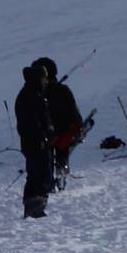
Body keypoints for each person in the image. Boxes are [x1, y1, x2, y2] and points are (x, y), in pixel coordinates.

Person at [16, 63, 54, 217]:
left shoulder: (35, 94)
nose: (46, 81)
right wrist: (41, 136)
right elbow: (29, 123)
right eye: (44, 78)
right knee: (37, 175)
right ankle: (34, 207)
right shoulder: (29, 96)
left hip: (38, 142)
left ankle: (38, 206)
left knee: (41, 174)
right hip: (35, 142)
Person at [36, 57, 81, 187]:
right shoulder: (62, 89)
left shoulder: (41, 92)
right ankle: (62, 178)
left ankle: (50, 181)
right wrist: (78, 123)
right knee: (62, 155)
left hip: (50, 132)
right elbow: (73, 109)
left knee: (48, 158)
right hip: (64, 130)